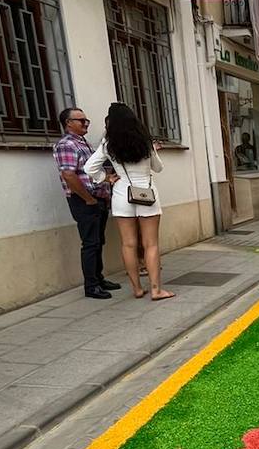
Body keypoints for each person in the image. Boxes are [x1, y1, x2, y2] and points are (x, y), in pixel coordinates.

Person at [84, 102, 174, 302]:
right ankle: (156, 290)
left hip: (122, 193)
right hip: (147, 194)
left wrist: (105, 178)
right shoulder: (145, 141)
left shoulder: (108, 143)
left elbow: (89, 167)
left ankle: (137, 289)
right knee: (151, 244)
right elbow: (158, 168)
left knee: (128, 244)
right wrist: (155, 151)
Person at [53, 106, 120, 301]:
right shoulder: (67, 144)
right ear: (69, 123)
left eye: (86, 121)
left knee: (98, 241)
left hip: (97, 199)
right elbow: (69, 175)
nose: (85, 124)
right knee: (90, 243)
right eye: (81, 121)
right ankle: (91, 285)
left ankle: (98, 278)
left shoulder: (83, 143)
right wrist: (88, 199)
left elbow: (91, 172)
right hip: (84, 200)